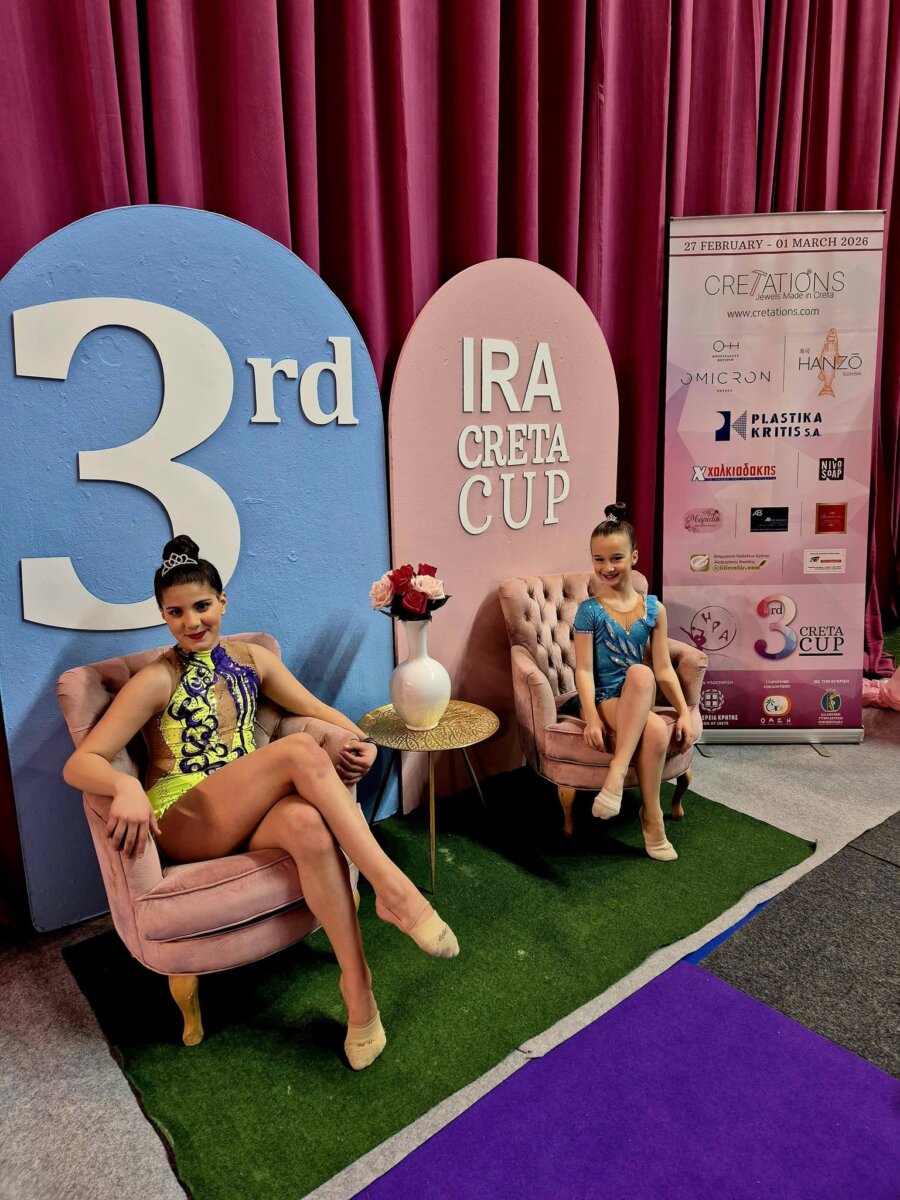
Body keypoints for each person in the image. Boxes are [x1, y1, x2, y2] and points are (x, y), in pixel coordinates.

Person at [63, 535, 459, 1071]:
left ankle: (359, 993)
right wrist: (126, 787)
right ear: (162, 615)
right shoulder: (156, 679)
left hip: (244, 811)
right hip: (182, 818)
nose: (191, 621)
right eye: (176, 612)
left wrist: (357, 741)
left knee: (308, 826)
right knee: (297, 751)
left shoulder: (253, 660)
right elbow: (80, 763)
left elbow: (314, 707)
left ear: (223, 602)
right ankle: (394, 891)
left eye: (202, 605)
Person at [560, 503, 694, 860]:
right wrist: (591, 717)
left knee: (642, 673)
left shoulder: (654, 609)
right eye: (599, 559)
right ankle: (650, 816)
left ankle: (626, 786)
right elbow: (583, 670)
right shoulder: (589, 610)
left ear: (634, 557)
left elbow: (663, 668)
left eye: (616, 558)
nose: (607, 567)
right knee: (654, 724)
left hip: (639, 693)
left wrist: (683, 711)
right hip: (605, 697)